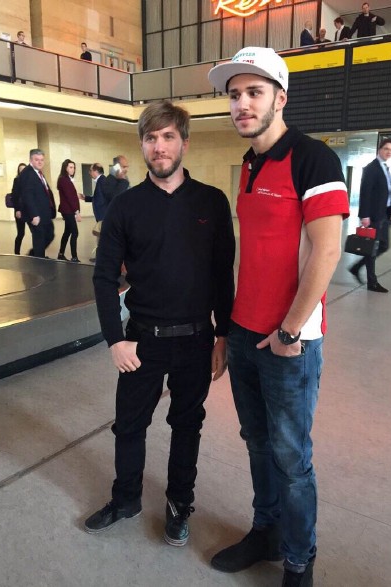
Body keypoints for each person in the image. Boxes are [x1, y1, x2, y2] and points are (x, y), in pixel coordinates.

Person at [208, 47, 349, 586]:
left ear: (280, 98)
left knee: (292, 459)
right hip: (245, 332)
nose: (241, 104)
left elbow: (327, 251)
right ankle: (266, 532)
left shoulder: (313, 158)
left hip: (289, 341)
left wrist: (290, 330)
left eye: (254, 92)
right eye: (234, 95)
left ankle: (298, 559)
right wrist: (227, 330)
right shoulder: (249, 163)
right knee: (257, 443)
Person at [85, 100, 235, 548]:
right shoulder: (125, 206)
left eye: (168, 136)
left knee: (187, 426)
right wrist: (115, 340)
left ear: (184, 143)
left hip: (196, 340)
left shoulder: (212, 201)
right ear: (142, 146)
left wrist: (222, 334)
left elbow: (222, 275)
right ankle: (126, 499)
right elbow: (103, 277)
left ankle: (178, 505)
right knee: (129, 426)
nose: (159, 146)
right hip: (141, 342)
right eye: (150, 138)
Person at [349, 138, 391, 293]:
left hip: (384, 214)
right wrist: (364, 215)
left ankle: (357, 267)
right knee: (371, 248)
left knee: (384, 245)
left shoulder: (385, 168)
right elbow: (365, 192)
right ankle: (372, 282)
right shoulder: (371, 168)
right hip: (373, 215)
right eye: (386, 149)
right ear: (379, 149)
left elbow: (388, 192)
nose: (389, 152)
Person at [20, 148, 56, 259]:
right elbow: (27, 195)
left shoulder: (38, 173)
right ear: (31, 160)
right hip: (36, 214)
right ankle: (39, 262)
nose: (40, 162)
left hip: (44, 213)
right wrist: (34, 214)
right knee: (39, 238)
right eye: (37, 160)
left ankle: (34, 255)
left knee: (49, 234)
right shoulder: (28, 173)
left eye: (42, 160)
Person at [57, 159, 82, 263]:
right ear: (65, 168)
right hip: (68, 210)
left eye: (74, 167)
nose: (73, 169)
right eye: (71, 167)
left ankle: (61, 254)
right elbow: (69, 197)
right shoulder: (64, 180)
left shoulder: (66, 179)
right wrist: (77, 212)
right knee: (75, 232)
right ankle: (74, 257)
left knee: (67, 232)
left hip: (68, 210)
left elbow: (71, 195)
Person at [81, 163, 106, 261]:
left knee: (101, 236)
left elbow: (106, 198)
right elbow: (97, 197)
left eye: (90, 170)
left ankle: (100, 258)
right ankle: (100, 257)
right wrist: (85, 198)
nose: (89, 173)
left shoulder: (102, 181)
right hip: (101, 215)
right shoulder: (100, 181)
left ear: (95, 171)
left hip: (103, 215)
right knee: (100, 236)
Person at [11, 162, 27, 254]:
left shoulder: (30, 180)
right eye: (21, 169)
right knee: (21, 233)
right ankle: (17, 253)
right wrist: (17, 210)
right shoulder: (16, 180)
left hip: (29, 210)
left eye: (24, 169)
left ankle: (37, 253)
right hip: (20, 210)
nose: (23, 171)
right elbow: (14, 196)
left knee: (36, 232)